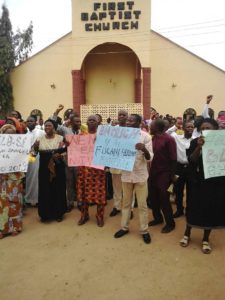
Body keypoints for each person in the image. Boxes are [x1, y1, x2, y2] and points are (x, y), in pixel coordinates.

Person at [180, 118, 225, 254]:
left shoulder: (221, 143)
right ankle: (187, 233)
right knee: (193, 206)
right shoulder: (195, 142)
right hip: (197, 182)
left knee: (210, 208)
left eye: (208, 128)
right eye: (203, 129)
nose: (205, 131)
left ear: (215, 130)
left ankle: (206, 239)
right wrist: (199, 147)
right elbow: (191, 161)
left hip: (214, 182)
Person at [114, 114, 153, 244]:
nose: (128, 122)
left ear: (139, 122)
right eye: (128, 120)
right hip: (126, 174)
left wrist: (144, 149)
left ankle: (144, 230)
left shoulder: (146, 137)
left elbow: (150, 158)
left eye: (131, 120)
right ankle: (124, 227)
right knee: (126, 203)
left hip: (140, 175)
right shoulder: (121, 135)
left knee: (142, 205)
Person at [34, 119, 67, 222]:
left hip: (58, 167)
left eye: (49, 125)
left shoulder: (61, 138)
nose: (47, 127)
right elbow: (32, 155)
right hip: (44, 169)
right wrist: (34, 148)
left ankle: (59, 213)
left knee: (58, 189)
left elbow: (67, 152)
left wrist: (60, 154)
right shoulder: (39, 139)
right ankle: (45, 215)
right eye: (45, 126)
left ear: (54, 127)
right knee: (45, 189)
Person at [76, 115, 106, 227]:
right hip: (84, 169)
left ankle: (100, 216)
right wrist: (70, 145)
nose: (92, 121)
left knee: (99, 193)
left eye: (94, 120)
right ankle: (84, 215)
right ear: (87, 123)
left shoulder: (103, 136)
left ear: (98, 123)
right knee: (83, 193)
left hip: (98, 169)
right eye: (90, 120)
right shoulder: (80, 136)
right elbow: (76, 151)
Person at [148, 119, 177, 233]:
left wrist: (172, 176)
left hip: (165, 174)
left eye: (151, 126)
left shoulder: (169, 139)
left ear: (158, 128)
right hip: (153, 173)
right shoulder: (153, 138)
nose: (150, 127)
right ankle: (158, 218)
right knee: (153, 198)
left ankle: (170, 223)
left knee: (164, 199)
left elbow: (173, 159)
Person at [0, 124, 25, 238]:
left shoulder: (20, 146)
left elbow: (30, 159)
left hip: (15, 179)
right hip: (2, 179)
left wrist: (33, 150)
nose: (10, 136)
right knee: (2, 205)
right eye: (7, 134)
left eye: (12, 134)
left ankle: (15, 227)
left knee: (15, 203)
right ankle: (2, 229)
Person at [171, 121, 194, 218]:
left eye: (192, 127)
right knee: (178, 190)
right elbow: (167, 133)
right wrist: (175, 126)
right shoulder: (177, 137)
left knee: (191, 190)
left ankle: (189, 210)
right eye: (188, 127)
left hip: (191, 168)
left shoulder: (196, 140)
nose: (190, 128)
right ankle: (179, 209)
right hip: (179, 168)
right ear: (183, 128)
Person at [109, 110, 128, 217]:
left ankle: (129, 209)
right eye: (120, 115)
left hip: (127, 163)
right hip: (115, 162)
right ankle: (117, 207)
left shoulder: (132, 130)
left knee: (129, 189)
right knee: (116, 187)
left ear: (127, 117)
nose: (121, 116)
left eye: (124, 115)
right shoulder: (112, 130)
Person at [25, 116, 44, 206]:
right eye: (28, 121)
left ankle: (37, 200)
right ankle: (28, 199)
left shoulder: (41, 132)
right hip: (27, 158)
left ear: (35, 122)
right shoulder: (24, 133)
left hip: (37, 157)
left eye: (31, 121)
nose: (29, 122)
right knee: (28, 178)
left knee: (36, 178)